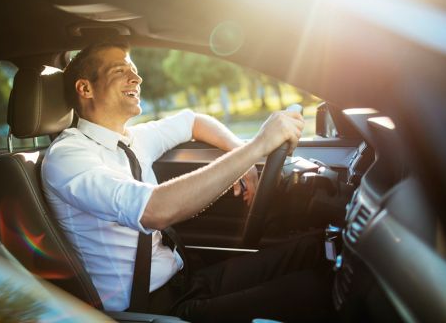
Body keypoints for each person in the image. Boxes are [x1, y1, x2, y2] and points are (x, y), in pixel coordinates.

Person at [41, 41, 333, 322]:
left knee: (318, 248)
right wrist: (255, 148)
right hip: (150, 309)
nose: (137, 78)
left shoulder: (132, 138)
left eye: (134, 69)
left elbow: (192, 120)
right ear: (85, 88)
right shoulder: (68, 157)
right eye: (120, 71)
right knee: (313, 292)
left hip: (186, 280)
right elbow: (154, 211)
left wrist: (236, 151)